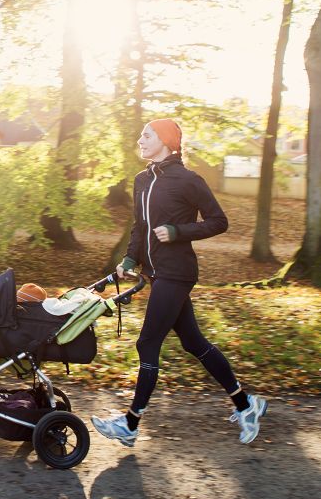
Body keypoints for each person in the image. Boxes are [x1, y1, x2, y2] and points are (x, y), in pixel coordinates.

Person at [91, 118, 267, 446]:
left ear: (166, 140)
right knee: (193, 343)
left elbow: (219, 221)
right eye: (141, 134)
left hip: (178, 272)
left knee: (147, 343)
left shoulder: (188, 180)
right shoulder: (142, 180)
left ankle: (130, 424)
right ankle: (246, 404)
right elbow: (140, 226)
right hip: (158, 274)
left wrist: (178, 232)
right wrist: (131, 259)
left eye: (147, 135)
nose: (140, 139)